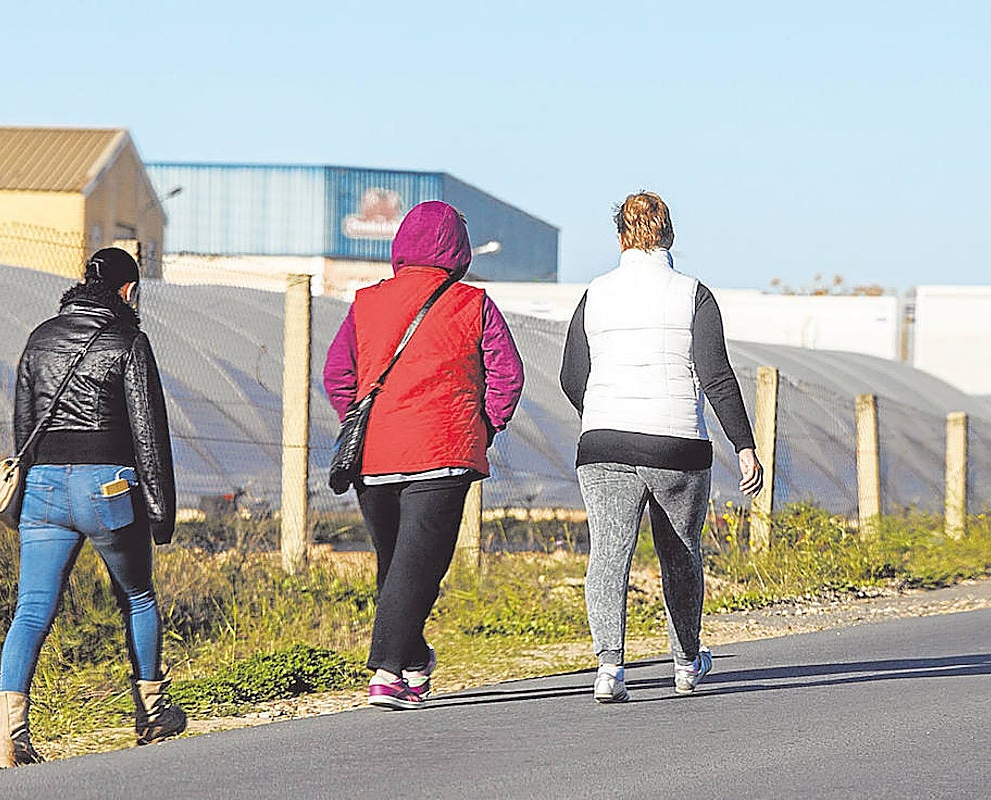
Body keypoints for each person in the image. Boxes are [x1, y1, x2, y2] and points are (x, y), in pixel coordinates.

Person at [559, 191, 764, 703]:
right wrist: (744, 445)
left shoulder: (594, 294)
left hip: (604, 442)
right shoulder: (693, 294)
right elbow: (716, 376)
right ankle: (686, 662)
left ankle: (609, 668)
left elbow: (570, 376)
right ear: (669, 233)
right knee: (680, 553)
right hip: (678, 446)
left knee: (608, 553)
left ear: (620, 236)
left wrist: (604, 415)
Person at [323, 201, 524, 710]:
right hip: (444, 451)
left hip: (374, 457)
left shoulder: (366, 302)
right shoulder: (473, 303)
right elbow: (508, 376)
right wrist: (484, 426)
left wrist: (366, 418)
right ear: (459, 248)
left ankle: (413, 663)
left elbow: (337, 375)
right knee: (417, 567)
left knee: (397, 566)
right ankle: (387, 673)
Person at [0, 247, 185, 768]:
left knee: (31, 609)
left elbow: (22, 427)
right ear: (128, 290)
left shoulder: (39, 338)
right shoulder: (129, 341)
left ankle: (10, 735)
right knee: (138, 597)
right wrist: (160, 511)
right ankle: (152, 713)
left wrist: (28, 493)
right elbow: (149, 435)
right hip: (108, 489)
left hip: (45, 487)